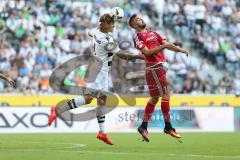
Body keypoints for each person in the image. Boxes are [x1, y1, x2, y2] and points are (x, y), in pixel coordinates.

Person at [48, 13, 144, 145]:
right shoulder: (106, 41)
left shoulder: (96, 32)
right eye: (112, 24)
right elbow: (122, 55)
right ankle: (59, 110)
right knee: (94, 100)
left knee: (99, 100)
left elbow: (90, 32)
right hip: (99, 72)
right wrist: (140, 57)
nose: (114, 26)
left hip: (98, 70)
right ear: (105, 25)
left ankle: (102, 132)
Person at [128, 14, 189, 142]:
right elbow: (147, 53)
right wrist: (163, 47)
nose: (141, 19)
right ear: (134, 25)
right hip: (154, 67)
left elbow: (167, 44)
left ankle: (143, 126)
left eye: (141, 18)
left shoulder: (154, 33)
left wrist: (180, 50)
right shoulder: (138, 37)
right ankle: (168, 126)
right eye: (137, 20)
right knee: (166, 95)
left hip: (157, 67)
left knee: (155, 98)